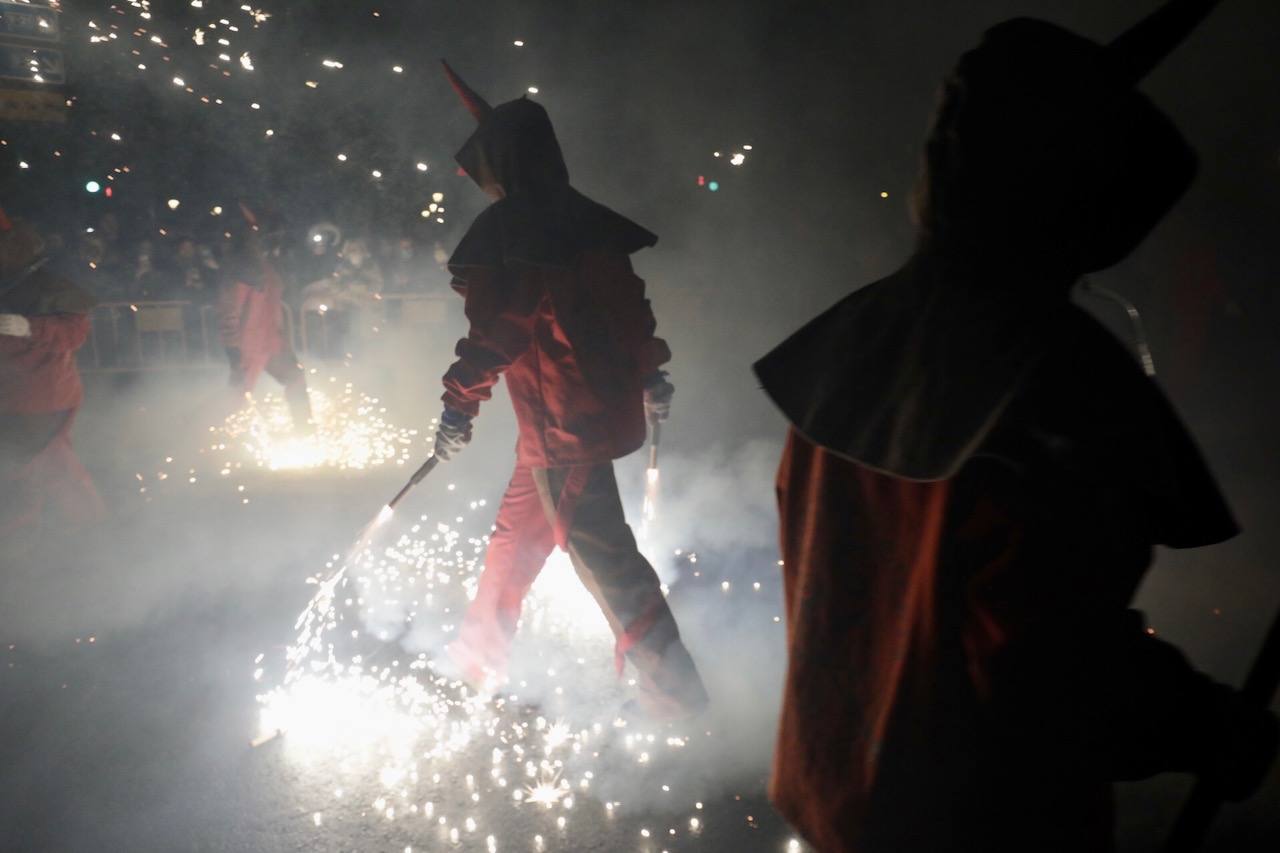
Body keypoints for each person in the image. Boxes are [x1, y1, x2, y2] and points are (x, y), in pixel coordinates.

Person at [752, 3, 1278, 851]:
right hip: (979, 824)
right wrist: (1208, 726)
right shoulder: (1048, 384)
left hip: (845, 801)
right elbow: (1046, 667)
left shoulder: (860, 337)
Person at [431, 62, 708, 720]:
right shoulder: (580, 221)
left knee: (607, 558)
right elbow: (630, 308)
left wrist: (458, 403)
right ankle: (474, 663)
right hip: (561, 424)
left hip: (565, 425)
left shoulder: (518, 232)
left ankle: (681, 702)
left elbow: (501, 329)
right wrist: (650, 372)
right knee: (512, 539)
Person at [0, 207, 104, 536]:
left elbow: (74, 333)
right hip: (13, 397)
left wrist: (28, 326)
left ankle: (94, 530)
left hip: (44, 396)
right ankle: (25, 529)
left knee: (44, 466)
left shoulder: (48, 283)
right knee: (29, 467)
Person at [217, 206, 312, 432]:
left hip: (272, 342)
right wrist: (233, 354)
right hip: (248, 345)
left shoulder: (267, 267)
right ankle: (209, 439)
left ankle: (306, 433)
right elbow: (228, 313)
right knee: (236, 399)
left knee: (296, 379)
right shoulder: (239, 271)